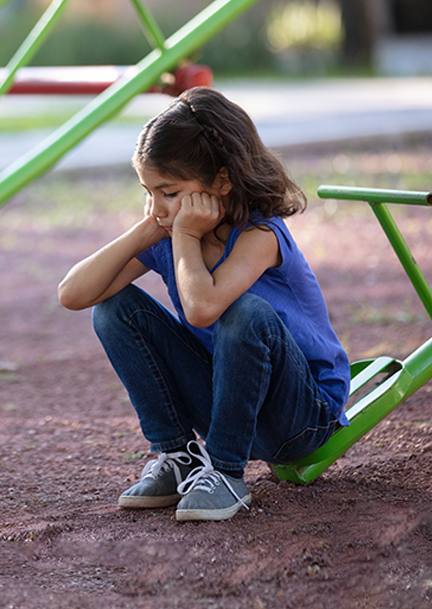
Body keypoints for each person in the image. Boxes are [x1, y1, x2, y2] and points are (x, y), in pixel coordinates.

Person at [57, 87, 350, 522]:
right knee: (113, 307)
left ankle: (227, 473)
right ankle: (179, 457)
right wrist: (145, 232)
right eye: (148, 191)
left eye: (169, 192)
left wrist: (186, 237)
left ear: (221, 181)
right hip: (227, 403)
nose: (157, 207)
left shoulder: (260, 236)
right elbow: (73, 295)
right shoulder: (166, 234)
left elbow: (202, 308)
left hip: (300, 417)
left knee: (245, 313)